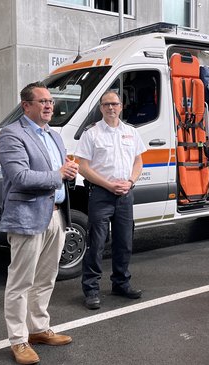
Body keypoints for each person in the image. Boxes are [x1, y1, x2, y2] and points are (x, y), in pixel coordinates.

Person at [0, 82, 78, 365]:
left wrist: (68, 172)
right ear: (26, 105)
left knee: (45, 278)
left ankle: (39, 329)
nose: (49, 106)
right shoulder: (11, 135)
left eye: (51, 102)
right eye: (42, 101)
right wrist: (59, 174)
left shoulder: (54, 136)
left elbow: (60, 171)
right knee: (21, 282)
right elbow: (20, 177)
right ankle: (19, 340)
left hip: (55, 214)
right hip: (27, 216)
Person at [75, 90, 146, 310]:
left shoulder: (131, 132)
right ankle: (91, 289)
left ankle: (121, 283)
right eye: (106, 104)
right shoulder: (92, 134)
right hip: (101, 194)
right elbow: (83, 167)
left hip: (125, 194)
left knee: (124, 242)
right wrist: (108, 184)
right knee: (96, 244)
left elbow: (138, 161)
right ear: (101, 108)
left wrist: (130, 182)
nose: (110, 108)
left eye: (114, 104)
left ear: (121, 106)